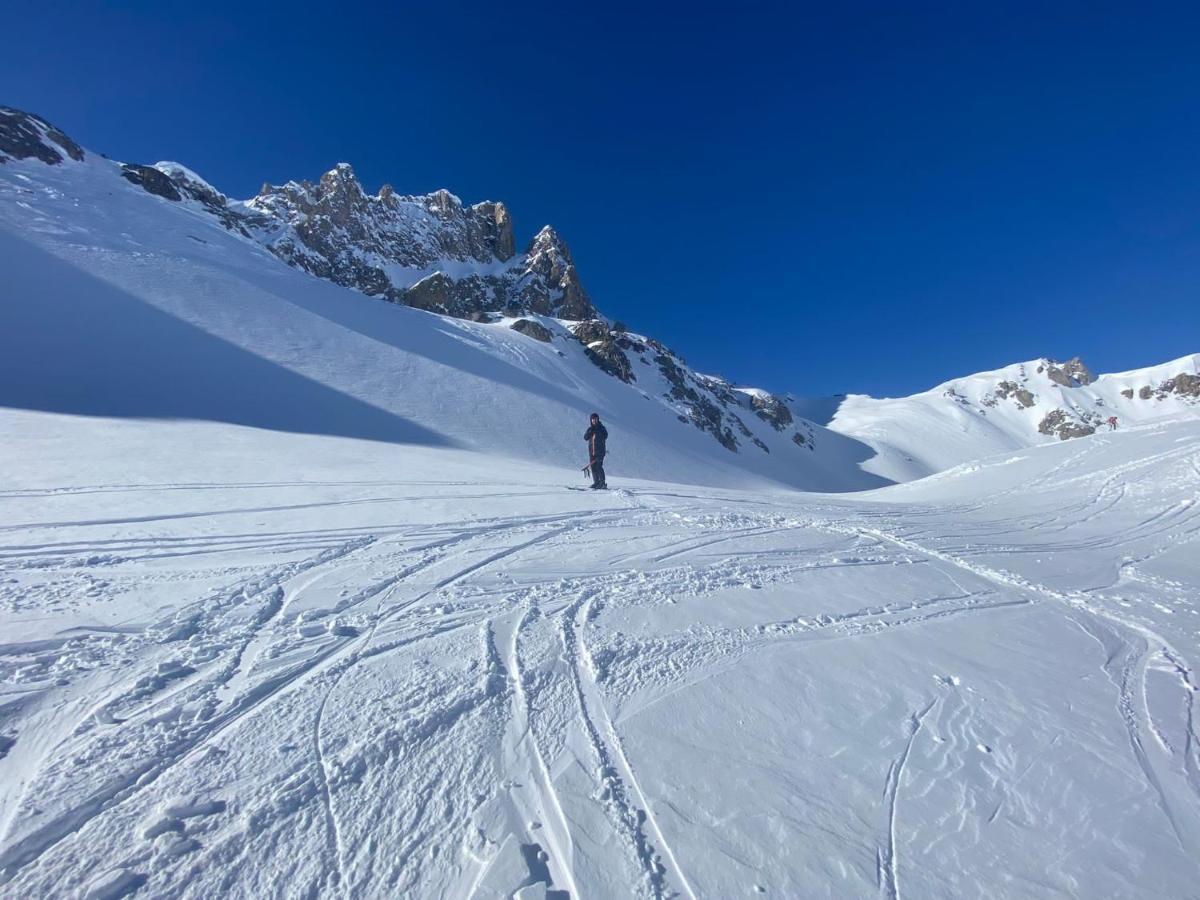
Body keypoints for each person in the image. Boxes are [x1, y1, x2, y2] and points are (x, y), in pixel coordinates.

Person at [584, 413, 608, 489]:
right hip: (592, 452)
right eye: (593, 419)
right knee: (593, 467)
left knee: (599, 466)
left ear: (598, 419)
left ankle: (603, 483)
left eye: (596, 419)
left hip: (600, 452)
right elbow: (585, 438)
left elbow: (605, 435)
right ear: (591, 420)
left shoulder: (601, 428)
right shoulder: (590, 429)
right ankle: (596, 482)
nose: (594, 420)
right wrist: (590, 431)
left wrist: (598, 429)